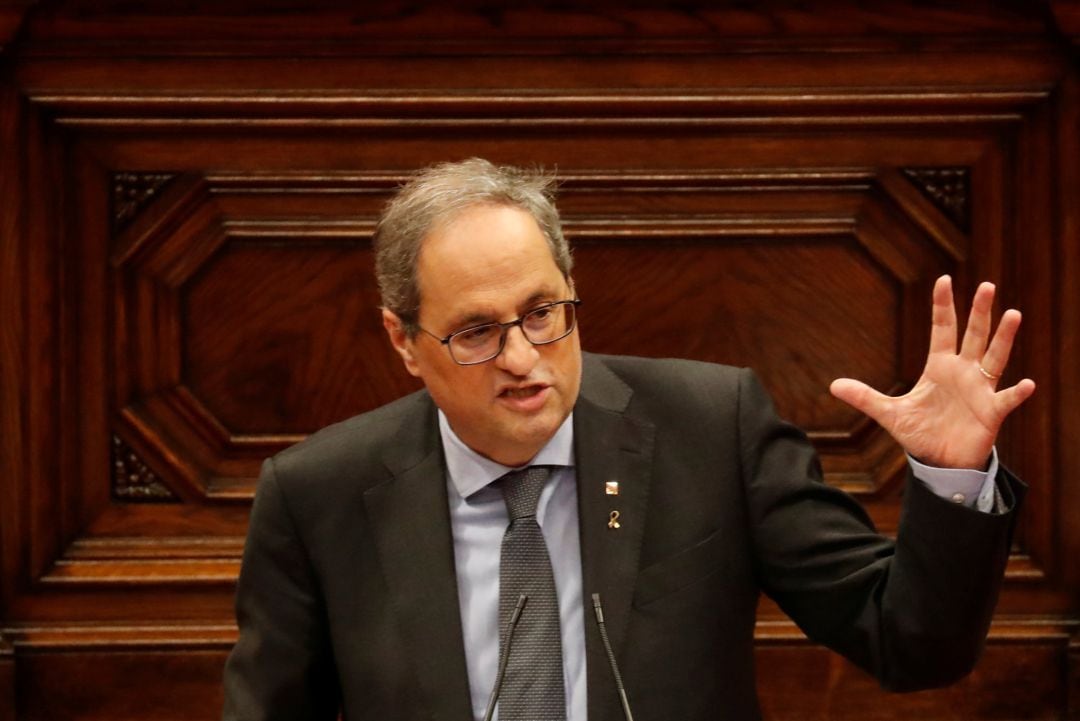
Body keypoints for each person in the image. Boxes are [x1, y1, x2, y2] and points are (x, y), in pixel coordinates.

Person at [221, 158, 1036, 721]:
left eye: (542, 312)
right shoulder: (319, 492)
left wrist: (950, 477)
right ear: (404, 341)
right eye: (475, 331)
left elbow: (911, 642)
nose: (521, 358)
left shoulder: (712, 428)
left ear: (572, 289)